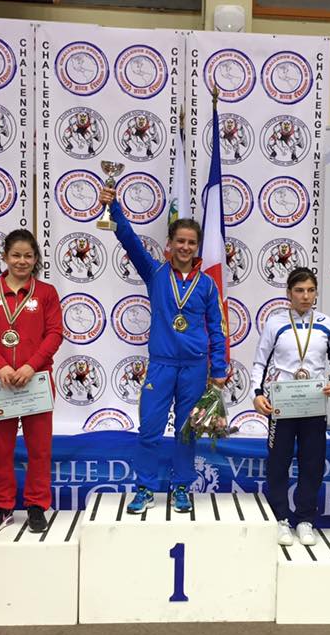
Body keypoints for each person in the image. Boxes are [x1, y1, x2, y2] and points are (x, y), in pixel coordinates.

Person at [99, 185, 227, 514]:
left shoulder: (207, 284)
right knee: (149, 429)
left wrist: (219, 369)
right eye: (180, 241)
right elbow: (129, 240)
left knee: (186, 432)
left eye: (191, 242)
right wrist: (114, 207)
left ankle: (181, 486)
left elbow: (217, 328)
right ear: (169, 244)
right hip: (162, 365)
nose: (185, 247)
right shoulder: (155, 273)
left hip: (195, 368)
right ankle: (144, 488)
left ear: (197, 247)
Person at [0, 229, 62, 534]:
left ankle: (36, 505)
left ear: (36, 259)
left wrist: (30, 366)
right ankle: (2, 506)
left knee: (39, 448)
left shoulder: (46, 292)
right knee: (0, 449)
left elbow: (55, 333)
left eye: (28, 256)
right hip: (0, 383)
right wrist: (0, 366)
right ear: (4, 257)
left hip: (35, 380)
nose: (22, 261)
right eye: (16, 255)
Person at [252, 267, 330, 546]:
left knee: (312, 463)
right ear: (289, 293)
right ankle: (280, 518)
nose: (305, 296)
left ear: (316, 293)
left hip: (314, 404)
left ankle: (305, 520)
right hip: (282, 405)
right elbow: (260, 362)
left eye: (310, 290)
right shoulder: (275, 323)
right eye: (299, 290)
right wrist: (257, 393)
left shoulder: (327, 324)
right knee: (278, 462)